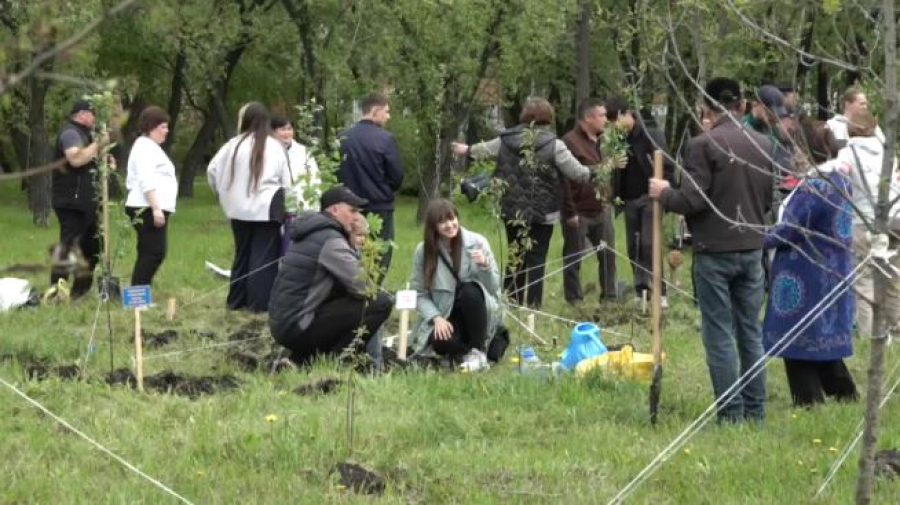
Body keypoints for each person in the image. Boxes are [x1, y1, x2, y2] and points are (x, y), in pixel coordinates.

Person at [650, 77, 775, 423]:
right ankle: (756, 411)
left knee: (719, 333)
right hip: (752, 248)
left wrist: (663, 193)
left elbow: (693, 200)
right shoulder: (764, 144)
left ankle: (732, 414)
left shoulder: (702, 145)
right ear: (741, 104)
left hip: (714, 251)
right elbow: (767, 200)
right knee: (750, 331)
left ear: (706, 107)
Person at [451, 97, 603, 308]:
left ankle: (511, 302)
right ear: (547, 118)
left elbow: (482, 151)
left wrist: (466, 150)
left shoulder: (506, 140)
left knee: (515, 257)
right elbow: (577, 174)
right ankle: (533, 307)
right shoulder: (554, 145)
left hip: (512, 211)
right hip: (544, 213)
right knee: (537, 260)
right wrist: (598, 170)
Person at [763, 121, 858, 407]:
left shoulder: (814, 187)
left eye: (796, 149)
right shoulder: (839, 179)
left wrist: (755, 238)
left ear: (805, 151)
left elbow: (790, 228)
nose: (792, 155)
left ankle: (808, 400)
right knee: (821, 338)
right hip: (834, 266)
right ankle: (844, 393)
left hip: (808, 271)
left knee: (797, 338)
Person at [269, 185, 393, 364]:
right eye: (352, 211)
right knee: (380, 303)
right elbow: (364, 287)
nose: (356, 216)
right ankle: (333, 361)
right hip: (297, 326)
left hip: (285, 322)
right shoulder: (331, 240)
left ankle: (302, 359)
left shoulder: (313, 230)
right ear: (335, 210)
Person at [208, 102, 291, 312]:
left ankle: (236, 301)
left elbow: (212, 171)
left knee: (242, 254)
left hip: (237, 209)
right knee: (263, 258)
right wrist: (289, 204)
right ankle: (258, 305)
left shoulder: (232, 144)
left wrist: (222, 193)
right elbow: (288, 181)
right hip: (267, 207)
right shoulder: (275, 146)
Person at [409, 199, 501, 371]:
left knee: (469, 290)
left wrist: (484, 265)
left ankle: (478, 351)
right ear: (433, 226)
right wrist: (436, 317)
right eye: (442, 221)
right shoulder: (423, 252)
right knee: (441, 342)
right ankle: (462, 353)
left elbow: (494, 287)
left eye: (452, 219)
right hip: (446, 313)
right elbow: (419, 294)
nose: (450, 225)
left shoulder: (478, 242)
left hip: (477, 309)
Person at [833, 109, 900, 338]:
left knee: (864, 281)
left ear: (851, 129)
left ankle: (870, 335)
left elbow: (840, 179)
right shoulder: (887, 150)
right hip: (895, 218)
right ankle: (896, 329)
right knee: (893, 277)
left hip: (863, 220)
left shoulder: (847, 153)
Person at [606, 96, 675, 306]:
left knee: (649, 243)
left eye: (615, 119)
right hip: (629, 198)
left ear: (627, 114)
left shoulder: (650, 134)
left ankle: (659, 290)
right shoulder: (617, 139)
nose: (613, 125)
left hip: (650, 197)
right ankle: (640, 290)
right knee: (633, 245)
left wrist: (666, 190)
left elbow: (667, 164)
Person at [337, 92, 404, 280]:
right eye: (386, 112)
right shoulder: (386, 139)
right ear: (375, 112)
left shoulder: (343, 137)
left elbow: (336, 171)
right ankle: (372, 292)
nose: (388, 117)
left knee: (350, 249)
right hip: (379, 206)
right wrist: (384, 187)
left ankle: (351, 289)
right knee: (379, 254)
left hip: (348, 206)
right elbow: (397, 176)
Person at [559, 98, 619, 304]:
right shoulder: (569, 142)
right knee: (574, 258)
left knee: (608, 255)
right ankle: (575, 301)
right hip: (579, 211)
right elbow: (565, 180)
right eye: (601, 115)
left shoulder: (605, 141)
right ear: (588, 117)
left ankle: (610, 297)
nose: (606, 120)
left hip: (601, 208)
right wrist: (570, 212)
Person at [50, 98, 110, 298]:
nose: (94, 118)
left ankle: (80, 292)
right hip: (71, 202)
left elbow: (90, 160)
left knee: (93, 246)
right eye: (92, 113)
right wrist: (98, 144)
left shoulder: (86, 135)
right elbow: (75, 159)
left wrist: (106, 160)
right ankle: (56, 290)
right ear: (82, 114)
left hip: (88, 201)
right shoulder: (70, 133)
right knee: (69, 246)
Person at [124, 106, 177, 287]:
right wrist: (156, 208)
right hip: (146, 207)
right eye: (163, 126)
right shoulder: (145, 147)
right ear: (151, 126)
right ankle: (138, 297)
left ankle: (140, 294)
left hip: (148, 206)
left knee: (149, 251)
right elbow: (146, 179)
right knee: (154, 252)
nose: (167, 131)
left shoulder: (150, 147)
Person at [271, 115, 320, 212]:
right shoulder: (269, 153)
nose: (287, 133)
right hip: (279, 208)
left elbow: (315, 177)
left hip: (305, 206)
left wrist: (314, 200)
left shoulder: (303, 151)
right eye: (282, 129)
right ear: (273, 132)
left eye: (289, 129)